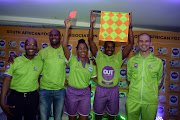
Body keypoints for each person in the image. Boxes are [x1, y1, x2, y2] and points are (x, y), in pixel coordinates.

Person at [88, 10, 134, 120]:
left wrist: (129, 26)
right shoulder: (99, 56)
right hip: (100, 89)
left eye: (112, 47)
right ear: (103, 48)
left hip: (113, 90)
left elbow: (131, 44)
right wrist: (91, 24)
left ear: (114, 48)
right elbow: (90, 41)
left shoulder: (118, 57)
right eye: (107, 47)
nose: (110, 49)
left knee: (112, 116)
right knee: (98, 114)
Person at [63, 17, 97, 120]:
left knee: (84, 117)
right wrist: (67, 28)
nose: (82, 50)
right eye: (80, 48)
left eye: (84, 48)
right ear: (77, 50)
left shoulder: (91, 63)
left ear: (87, 50)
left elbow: (95, 79)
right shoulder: (72, 59)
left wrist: (108, 84)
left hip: (85, 94)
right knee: (72, 117)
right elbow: (64, 46)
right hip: (71, 92)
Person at [0, 38, 43, 120]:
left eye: (34, 45)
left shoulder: (40, 62)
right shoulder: (14, 61)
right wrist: (2, 102)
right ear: (24, 47)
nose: (31, 47)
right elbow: (6, 82)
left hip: (32, 98)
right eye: (28, 44)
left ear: (37, 48)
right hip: (16, 98)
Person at [126, 33, 165, 120]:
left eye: (146, 41)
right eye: (141, 41)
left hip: (150, 101)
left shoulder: (158, 62)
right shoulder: (131, 61)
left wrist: (151, 92)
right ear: (137, 43)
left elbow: (160, 81)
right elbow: (129, 78)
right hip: (133, 100)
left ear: (150, 43)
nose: (144, 43)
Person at [38, 29, 66, 120]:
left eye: (56, 35)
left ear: (60, 37)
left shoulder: (65, 51)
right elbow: (32, 64)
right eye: (51, 35)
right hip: (45, 90)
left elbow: (74, 63)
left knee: (58, 118)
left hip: (60, 90)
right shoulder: (42, 52)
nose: (53, 37)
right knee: (43, 118)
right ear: (49, 37)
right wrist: (14, 57)